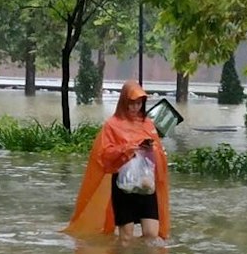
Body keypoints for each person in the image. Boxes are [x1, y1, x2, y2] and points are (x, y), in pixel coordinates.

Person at [66, 80, 170, 240]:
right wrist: (127, 149)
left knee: (151, 234)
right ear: (124, 102)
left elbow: (158, 153)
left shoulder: (147, 124)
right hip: (124, 184)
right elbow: (104, 155)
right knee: (126, 236)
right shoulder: (112, 125)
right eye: (132, 103)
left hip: (146, 183)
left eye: (139, 103)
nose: (136, 107)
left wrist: (151, 149)